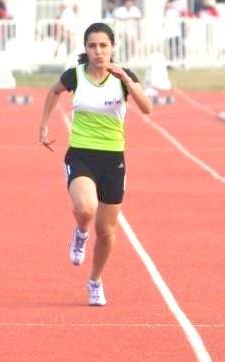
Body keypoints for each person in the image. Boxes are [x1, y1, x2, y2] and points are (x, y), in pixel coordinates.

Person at [38, 22, 152, 306]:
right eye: (92, 46)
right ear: (85, 49)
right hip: (81, 153)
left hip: (113, 158)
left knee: (108, 231)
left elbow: (148, 108)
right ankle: (80, 232)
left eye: (103, 45)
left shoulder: (123, 78)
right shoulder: (75, 75)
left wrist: (126, 79)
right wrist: (43, 125)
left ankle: (95, 281)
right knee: (86, 208)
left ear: (113, 47)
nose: (98, 51)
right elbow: (53, 92)